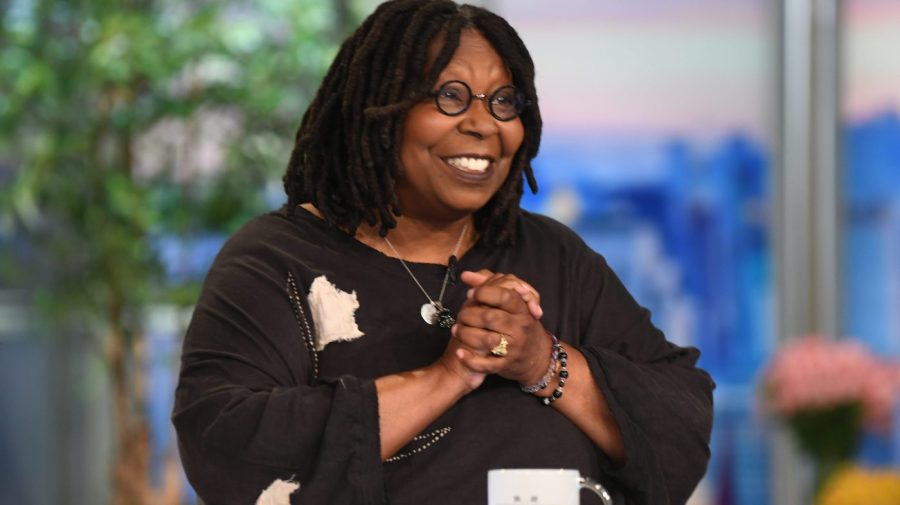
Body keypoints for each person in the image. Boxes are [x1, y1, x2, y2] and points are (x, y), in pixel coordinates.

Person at [172, 1, 715, 504]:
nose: (482, 124)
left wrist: (543, 361)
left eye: (504, 102)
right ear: (377, 111)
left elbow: (679, 422)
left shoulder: (553, 254)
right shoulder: (277, 259)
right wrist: (449, 375)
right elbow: (223, 444)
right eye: (448, 95)